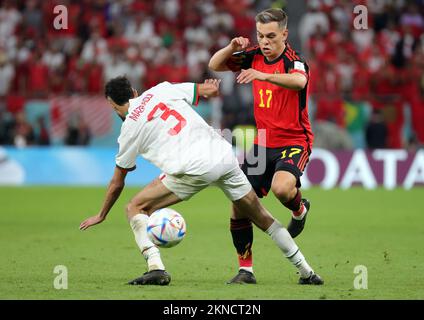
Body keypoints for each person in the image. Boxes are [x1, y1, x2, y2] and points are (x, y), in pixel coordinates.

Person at [79, 76, 323, 286]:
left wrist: (101, 214)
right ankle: (307, 272)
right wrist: (213, 87)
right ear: (134, 92)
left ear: (113, 105)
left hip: (192, 169)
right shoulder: (160, 89)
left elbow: (117, 182)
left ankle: (156, 267)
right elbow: (207, 90)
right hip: (223, 155)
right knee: (263, 218)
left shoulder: (128, 130)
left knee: (135, 207)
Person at [209, 8, 315, 284]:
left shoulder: (294, 60)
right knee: (238, 203)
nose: (264, 41)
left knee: (282, 189)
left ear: (284, 34)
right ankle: (246, 270)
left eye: (270, 36)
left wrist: (262, 75)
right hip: (262, 143)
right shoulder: (253, 55)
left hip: (293, 140)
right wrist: (231, 47)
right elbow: (215, 65)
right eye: (260, 35)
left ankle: (299, 209)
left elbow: (299, 81)